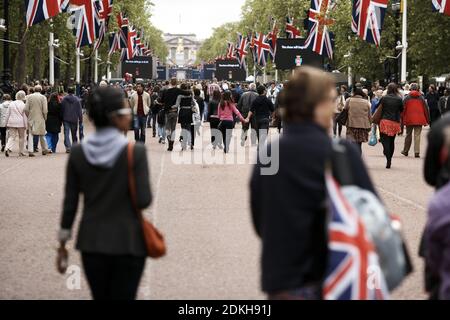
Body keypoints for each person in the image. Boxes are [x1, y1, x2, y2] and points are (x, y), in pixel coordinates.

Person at [250, 66, 378, 300]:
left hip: (283, 272)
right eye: (330, 100)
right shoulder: (341, 152)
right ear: (318, 104)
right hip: (334, 270)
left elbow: (260, 217)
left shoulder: (270, 153)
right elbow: (371, 215)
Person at [57, 86, 152, 300]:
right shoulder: (134, 152)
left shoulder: (79, 152)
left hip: (91, 241)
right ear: (116, 117)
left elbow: (70, 204)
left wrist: (62, 243)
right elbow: (144, 200)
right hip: (128, 241)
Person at [377, 83, 404, 169]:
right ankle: (389, 159)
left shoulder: (384, 98)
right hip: (394, 122)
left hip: (385, 120)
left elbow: (378, 107)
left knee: (384, 139)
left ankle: (386, 152)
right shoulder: (399, 99)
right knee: (392, 141)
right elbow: (402, 109)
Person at [160, 78, 190, 151]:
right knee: (173, 129)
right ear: (176, 83)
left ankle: (169, 138)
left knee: (167, 128)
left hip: (168, 112)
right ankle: (171, 145)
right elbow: (187, 93)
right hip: (175, 112)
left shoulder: (166, 91)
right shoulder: (178, 90)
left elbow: (161, 100)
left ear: (170, 83)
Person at [401, 83, 430, 158]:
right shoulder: (421, 98)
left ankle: (405, 151)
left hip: (409, 118)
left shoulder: (406, 97)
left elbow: (403, 109)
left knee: (408, 135)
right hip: (419, 119)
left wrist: (401, 118)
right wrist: (428, 119)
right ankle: (417, 152)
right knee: (417, 136)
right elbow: (426, 109)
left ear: (410, 88)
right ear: (418, 89)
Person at [24, 84, 51, 157]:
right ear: (41, 90)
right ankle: (44, 149)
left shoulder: (29, 97)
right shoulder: (43, 97)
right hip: (40, 117)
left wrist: (28, 116)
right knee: (42, 134)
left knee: (31, 134)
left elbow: (26, 109)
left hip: (31, 117)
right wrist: (45, 117)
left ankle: (30, 151)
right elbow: (45, 110)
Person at [344, 87, 371, 155]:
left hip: (351, 124)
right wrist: (370, 123)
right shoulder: (366, 102)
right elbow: (369, 115)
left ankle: (354, 157)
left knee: (353, 142)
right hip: (362, 125)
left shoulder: (349, 100)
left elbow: (345, 110)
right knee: (359, 143)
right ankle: (358, 156)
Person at [4, 91, 27, 157]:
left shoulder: (11, 103)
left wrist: (6, 123)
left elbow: (7, 114)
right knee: (21, 137)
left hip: (11, 122)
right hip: (21, 123)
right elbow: (25, 116)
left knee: (12, 136)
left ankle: (7, 148)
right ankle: (21, 152)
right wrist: (26, 125)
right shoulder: (23, 105)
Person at [61, 87, 83, 154]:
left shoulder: (64, 99)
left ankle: (68, 147)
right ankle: (74, 146)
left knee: (66, 134)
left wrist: (61, 117)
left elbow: (62, 109)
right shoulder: (77, 100)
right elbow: (79, 110)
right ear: (74, 92)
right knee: (74, 133)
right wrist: (80, 119)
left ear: (67, 92)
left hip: (66, 118)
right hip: (74, 118)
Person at [176, 84, 196, 151]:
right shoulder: (190, 94)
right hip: (189, 112)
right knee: (189, 129)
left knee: (183, 128)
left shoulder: (179, 95)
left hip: (182, 111)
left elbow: (177, 105)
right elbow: (193, 103)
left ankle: (183, 145)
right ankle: (190, 144)